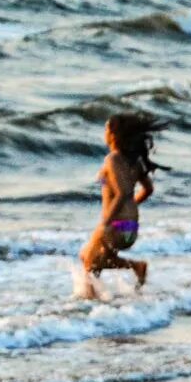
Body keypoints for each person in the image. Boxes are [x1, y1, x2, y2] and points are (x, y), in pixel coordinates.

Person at [78, 113, 163, 299]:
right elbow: (148, 189)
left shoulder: (113, 159)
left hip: (116, 225)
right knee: (91, 258)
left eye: (107, 128)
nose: (105, 132)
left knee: (89, 262)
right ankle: (135, 267)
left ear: (114, 135)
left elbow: (122, 192)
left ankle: (90, 303)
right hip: (130, 227)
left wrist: (107, 221)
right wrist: (132, 206)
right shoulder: (134, 161)